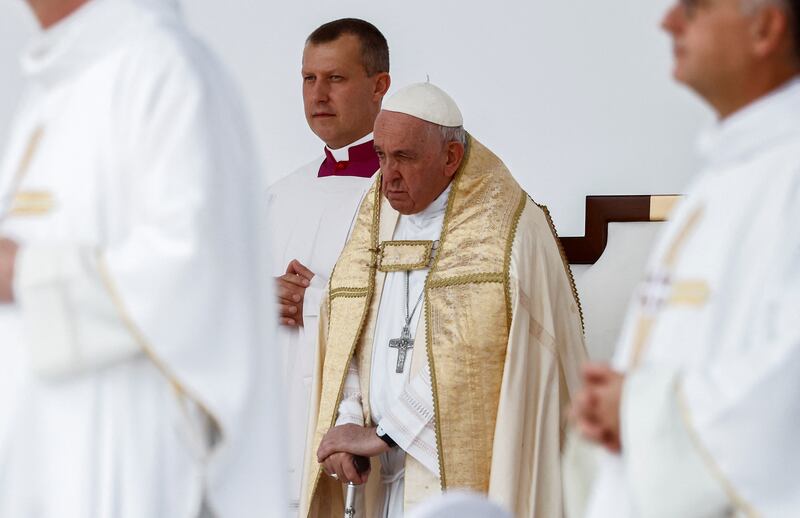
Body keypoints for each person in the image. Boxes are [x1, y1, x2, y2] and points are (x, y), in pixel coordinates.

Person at [0, 0, 284, 516]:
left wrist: (25, 274)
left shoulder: (162, 67)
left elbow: (193, 268)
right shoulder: (52, 86)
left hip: (120, 451)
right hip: (39, 452)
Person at [300, 82, 587, 517]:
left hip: (456, 475)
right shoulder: (375, 216)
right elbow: (348, 329)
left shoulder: (505, 229)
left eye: (405, 157)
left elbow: (476, 356)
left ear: (451, 157)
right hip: (377, 476)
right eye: (381, 155)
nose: (387, 175)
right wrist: (347, 421)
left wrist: (387, 432)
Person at [572, 0, 800, 516]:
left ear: (764, 27)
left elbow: (789, 382)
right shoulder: (721, 174)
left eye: (694, 8)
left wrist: (637, 409)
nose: (668, 21)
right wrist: (617, 408)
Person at [264, 17, 390, 514]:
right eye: (308, 79)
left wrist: (318, 301)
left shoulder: (401, 197)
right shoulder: (277, 197)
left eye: (335, 78)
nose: (319, 94)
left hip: (357, 422)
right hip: (277, 421)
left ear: (379, 85)